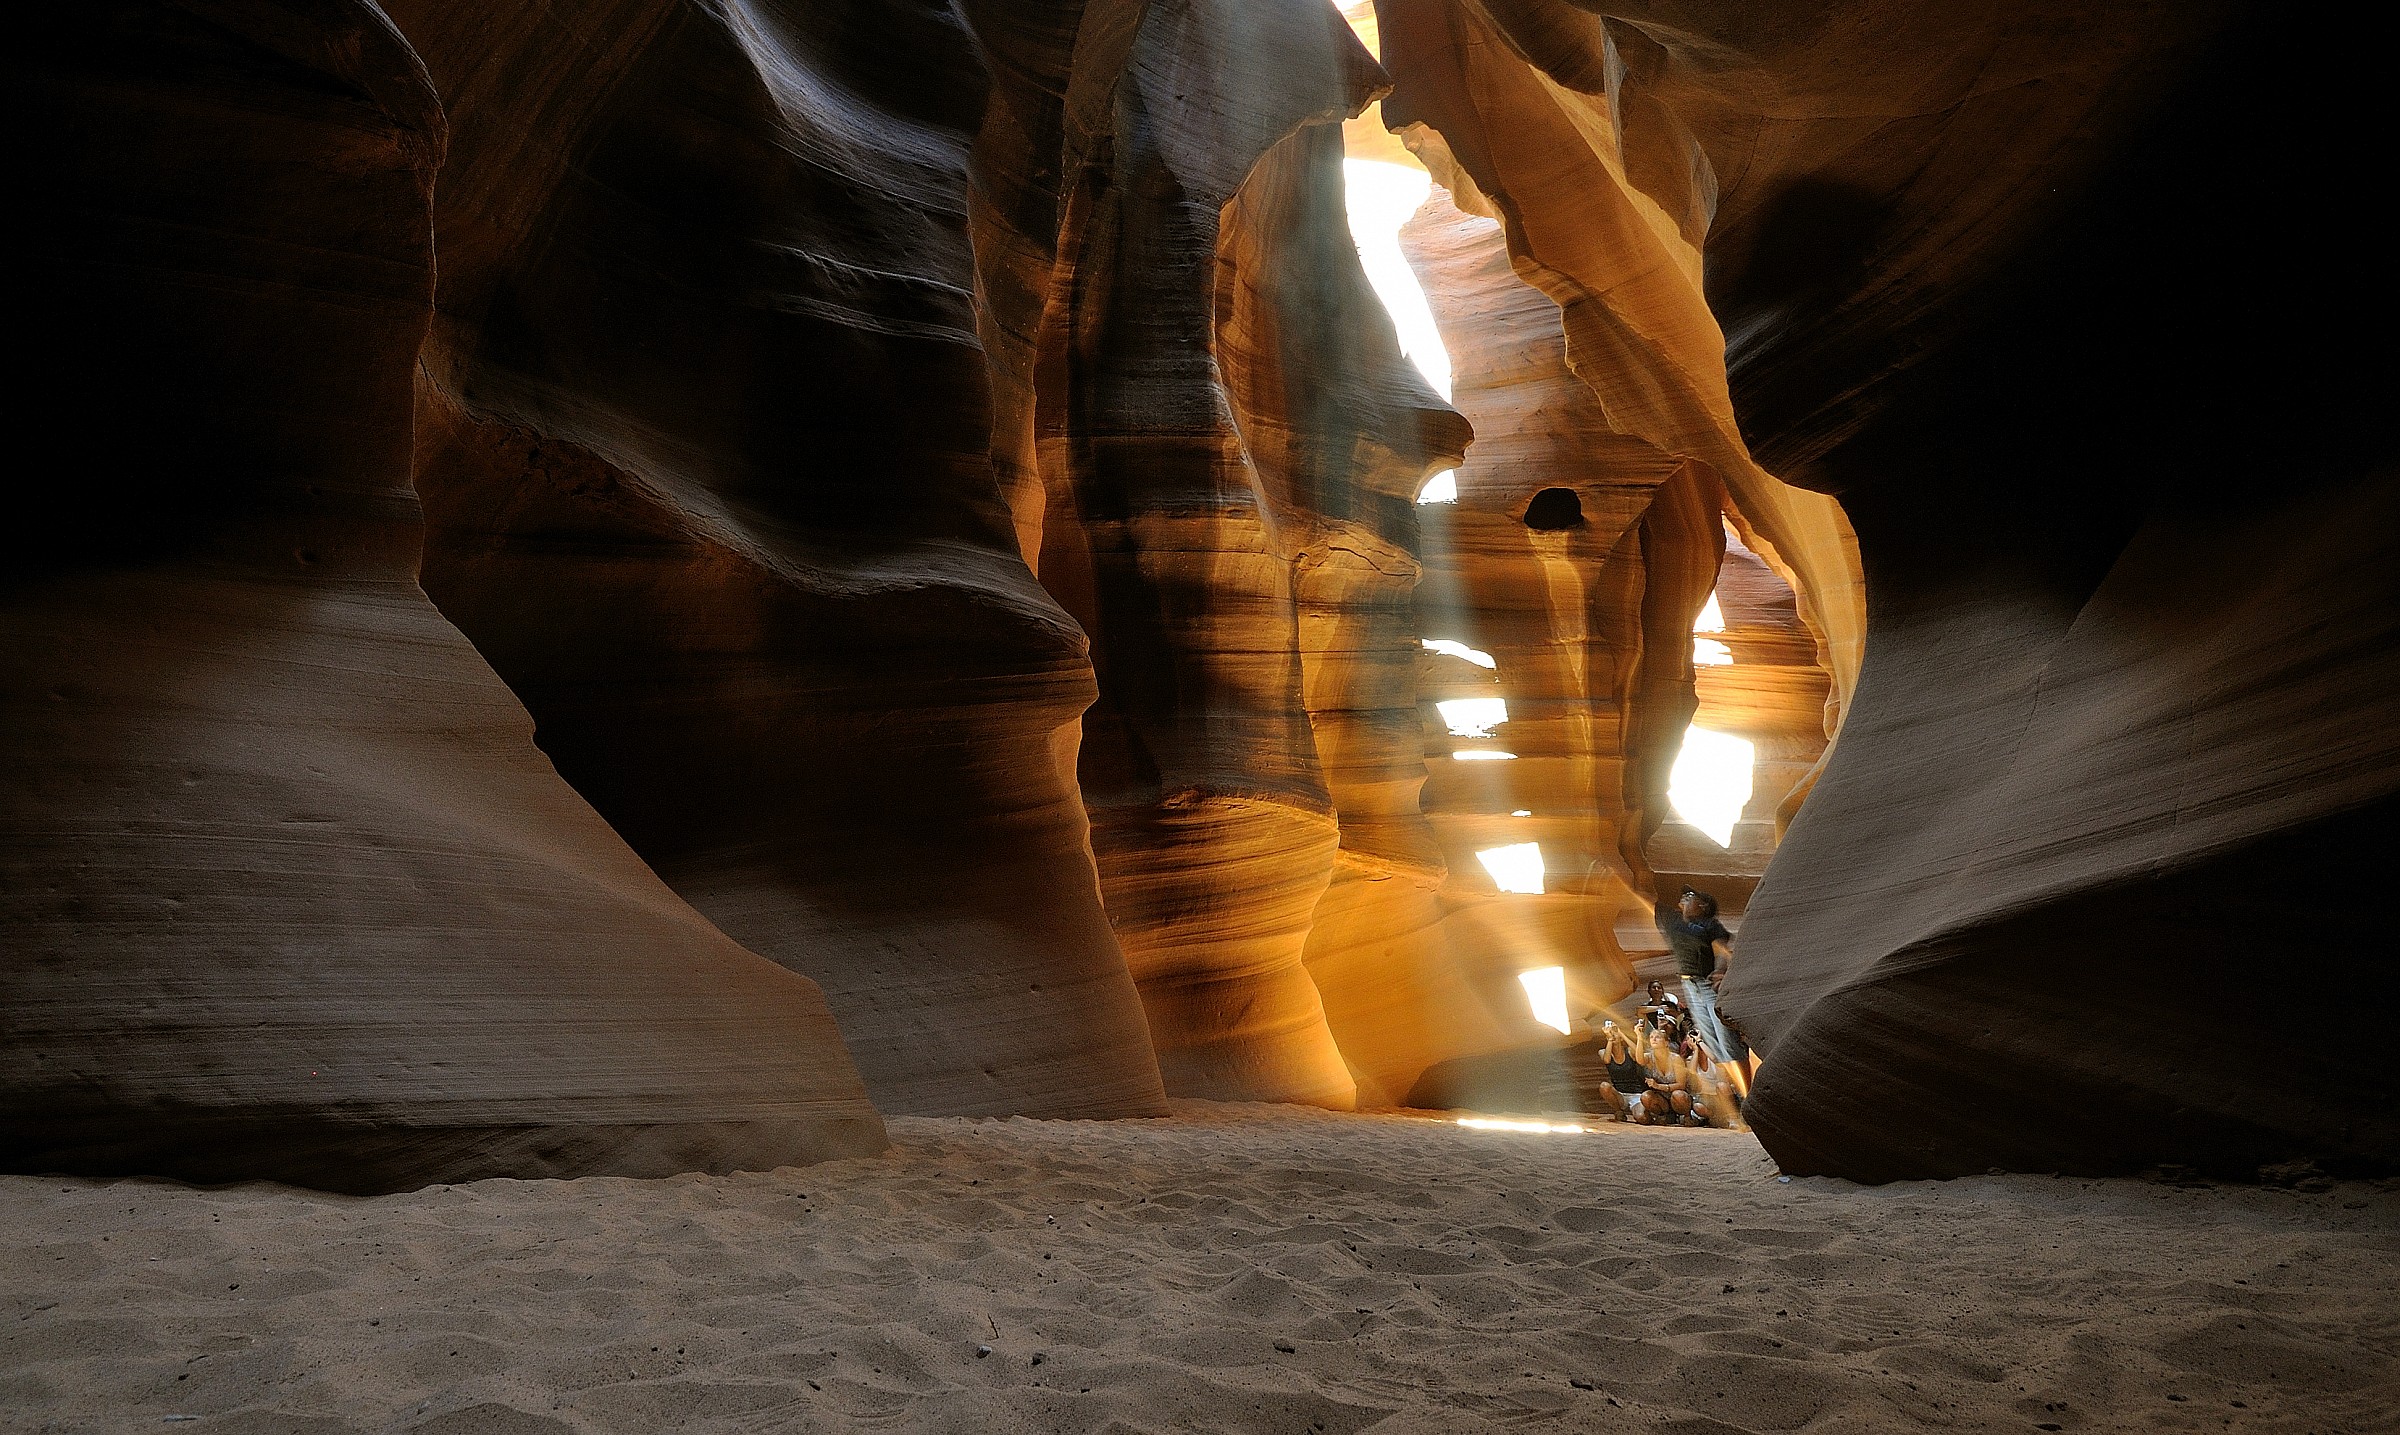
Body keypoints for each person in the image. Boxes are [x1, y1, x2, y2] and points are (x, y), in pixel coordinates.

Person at [1661, 887, 1750, 1082]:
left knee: (1726, 1039)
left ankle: (1748, 1092)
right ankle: (1732, 1088)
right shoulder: (1676, 924)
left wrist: (1719, 971)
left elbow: (1720, 950)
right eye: (1683, 895)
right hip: (1690, 986)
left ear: (1703, 905)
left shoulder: (1710, 925)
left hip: (1706, 985)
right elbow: (1650, 901)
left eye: (1690, 896)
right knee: (1710, 1039)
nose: (1684, 897)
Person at [1603, 1029, 1650, 1122]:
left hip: (1636, 1094)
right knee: (1604, 1086)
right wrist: (1610, 1039)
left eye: (1615, 1033)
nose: (1613, 1035)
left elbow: (1638, 1052)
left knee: (1642, 1118)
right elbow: (1606, 1060)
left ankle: (1647, 1112)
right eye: (1611, 1033)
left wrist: (1621, 1033)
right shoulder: (1604, 1052)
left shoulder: (1629, 1052)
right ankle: (1618, 1112)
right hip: (1620, 1095)